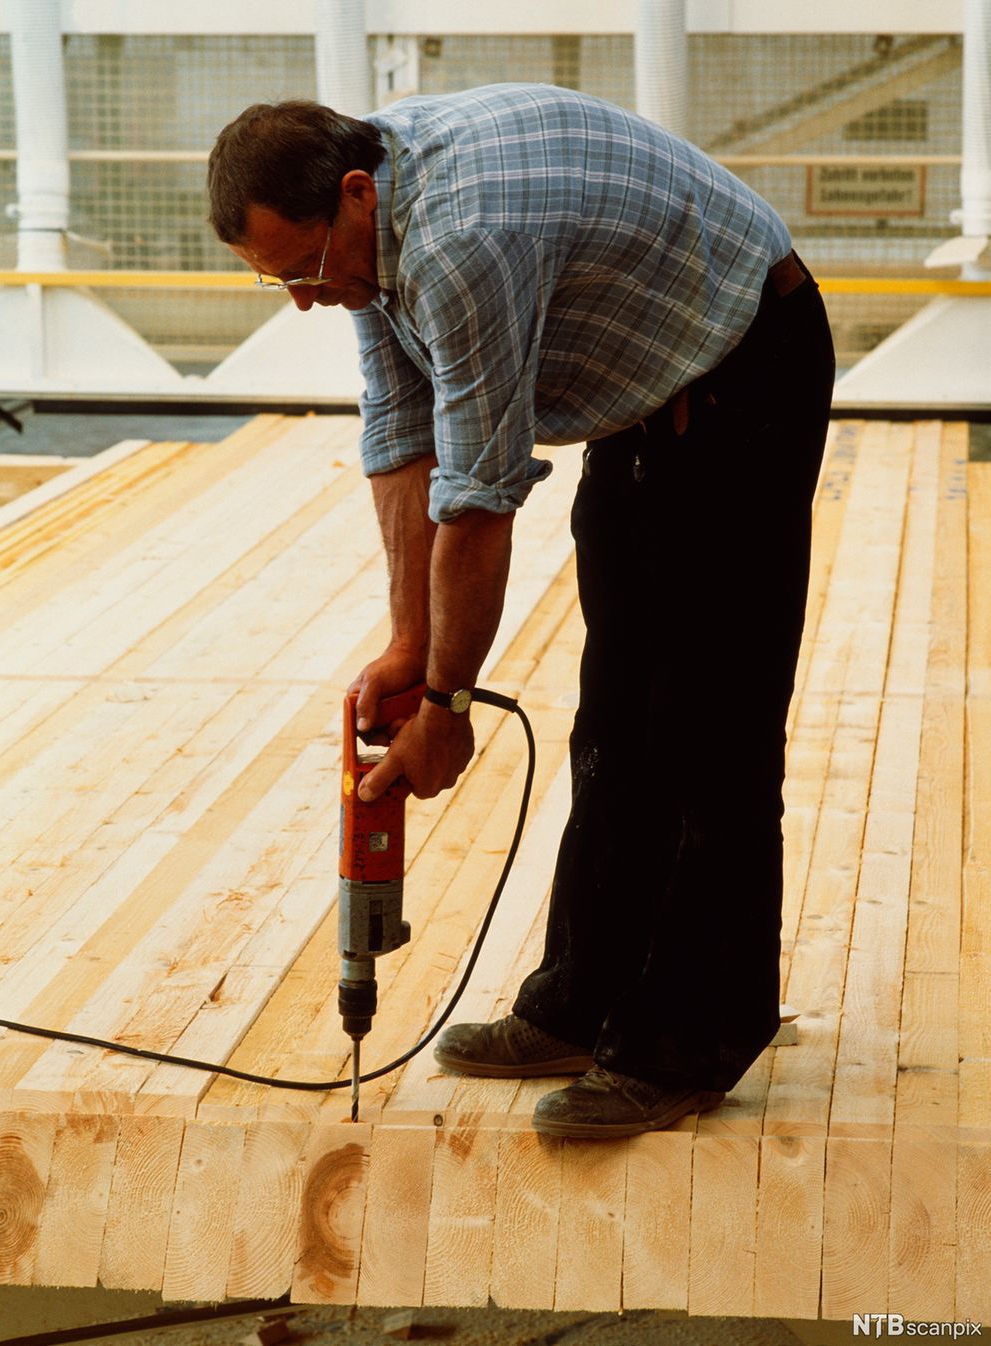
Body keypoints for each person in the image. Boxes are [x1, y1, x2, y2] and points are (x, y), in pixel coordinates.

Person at [207, 83, 835, 1140]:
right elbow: (404, 435)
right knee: (617, 715)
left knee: (707, 726)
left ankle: (688, 1042)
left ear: (355, 194)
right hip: (648, 386)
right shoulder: (369, 239)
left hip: (743, 368)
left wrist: (447, 703)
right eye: (277, 281)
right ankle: (581, 1002)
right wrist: (410, 644)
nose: (303, 301)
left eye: (304, 270)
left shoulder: (461, 242)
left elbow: (480, 497)